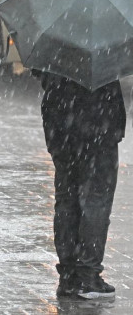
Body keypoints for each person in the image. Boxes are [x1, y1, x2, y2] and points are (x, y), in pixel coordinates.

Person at [35, 71, 124, 299]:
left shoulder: (54, 44)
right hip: (98, 120)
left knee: (67, 199)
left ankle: (69, 276)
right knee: (96, 199)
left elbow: (39, 73)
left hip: (60, 121)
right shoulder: (106, 42)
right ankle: (87, 276)